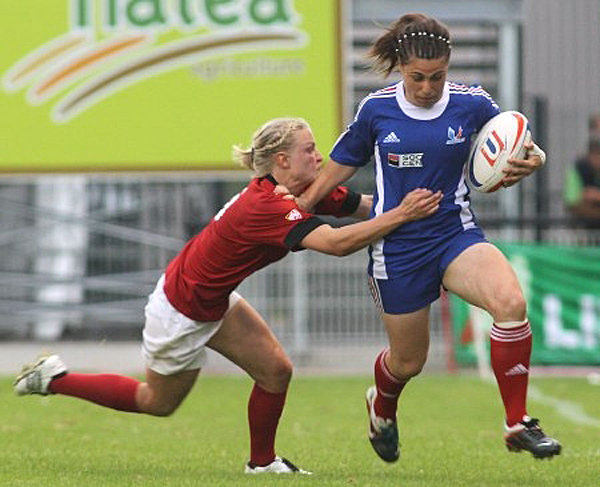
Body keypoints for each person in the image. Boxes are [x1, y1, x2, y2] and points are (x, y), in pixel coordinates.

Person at [14, 117, 442, 474]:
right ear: (282, 160)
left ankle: (262, 464)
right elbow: (336, 244)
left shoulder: (303, 190)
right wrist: (403, 214)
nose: (319, 157)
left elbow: (368, 206)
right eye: (310, 149)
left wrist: (426, 206)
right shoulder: (266, 206)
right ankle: (54, 378)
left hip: (212, 300)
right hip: (180, 309)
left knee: (275, 371)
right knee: (156, 402)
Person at [296, 13, 561, 462]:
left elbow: (517, 143)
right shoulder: (376, 110)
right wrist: (299, 205)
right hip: (397, 246)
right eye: (417, 77)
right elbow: (341, 165)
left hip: (454, 232)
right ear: (401, 68)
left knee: (510, 303)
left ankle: (518, 422)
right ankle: (382, 406)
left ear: (448, 67)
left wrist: (534, 159)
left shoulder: (472, 103)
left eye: (437, 77)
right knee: (408, 362)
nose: (426, 87)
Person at [564, 135, 600, 230]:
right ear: (589, 155)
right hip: (584, 228)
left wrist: (596, 196)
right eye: (596, 155)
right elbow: (572, 202)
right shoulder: (578, 169)